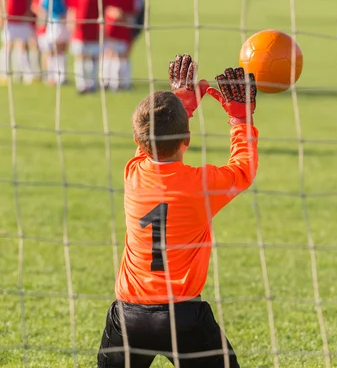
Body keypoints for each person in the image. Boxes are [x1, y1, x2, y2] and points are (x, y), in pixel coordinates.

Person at [96, 53, 258, 368]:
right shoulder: (203, 185)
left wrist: (182, 101)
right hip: (183, 318)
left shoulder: (133, 173)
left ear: (137, 143)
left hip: (129, 317)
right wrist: (240, 119)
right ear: (187, 139)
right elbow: (243, 169)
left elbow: (149, 142)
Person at [67, 0, 101, 93]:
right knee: (80, 56)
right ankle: (81, 85)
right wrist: (71, 25)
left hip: (94, 32)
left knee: (93, 57)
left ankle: (92, 83)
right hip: (80, 31)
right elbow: (71, 10)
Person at [0, 0, 36, 83]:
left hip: (23, 19)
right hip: (9, 19)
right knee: (8, 46)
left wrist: (29, 12)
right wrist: (2, 14)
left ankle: (24, 74)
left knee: (22, 46)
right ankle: (4, 73)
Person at [102, 0, 134, 91]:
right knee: (109, 55)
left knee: (121, 56)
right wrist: (112, 12)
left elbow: (131, 13)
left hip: (123, 32)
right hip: (110, 30)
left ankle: (120, 84)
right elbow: (103, 7)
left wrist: (123, 16)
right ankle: (106, 82)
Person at [39, 0, 70, 85]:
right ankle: (51, 76)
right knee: (53, 48)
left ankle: (61, 76)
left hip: (63, 20)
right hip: (55, 20)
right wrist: (55, 14)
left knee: (62, 48)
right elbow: (44, 3)